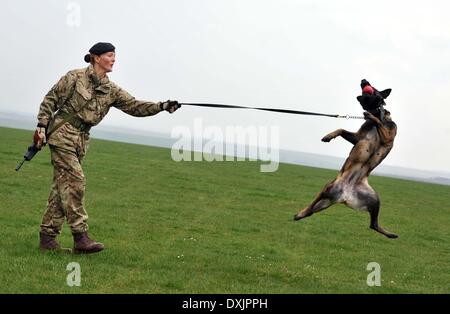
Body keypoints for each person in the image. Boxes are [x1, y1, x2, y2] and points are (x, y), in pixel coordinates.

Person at [35, 42, 181, 253]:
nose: (114, 59)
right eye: (110, 55)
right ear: (96, 57)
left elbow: (134, 106)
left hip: (81, 140)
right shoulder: (74, 77)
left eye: (114, 56)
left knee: (62, 187)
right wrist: (41, 126)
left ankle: (47, 240)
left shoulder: (111, 89)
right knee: (76, 182)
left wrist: (162, 106)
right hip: (62, 135)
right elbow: (50, 100)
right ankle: (80, 237)